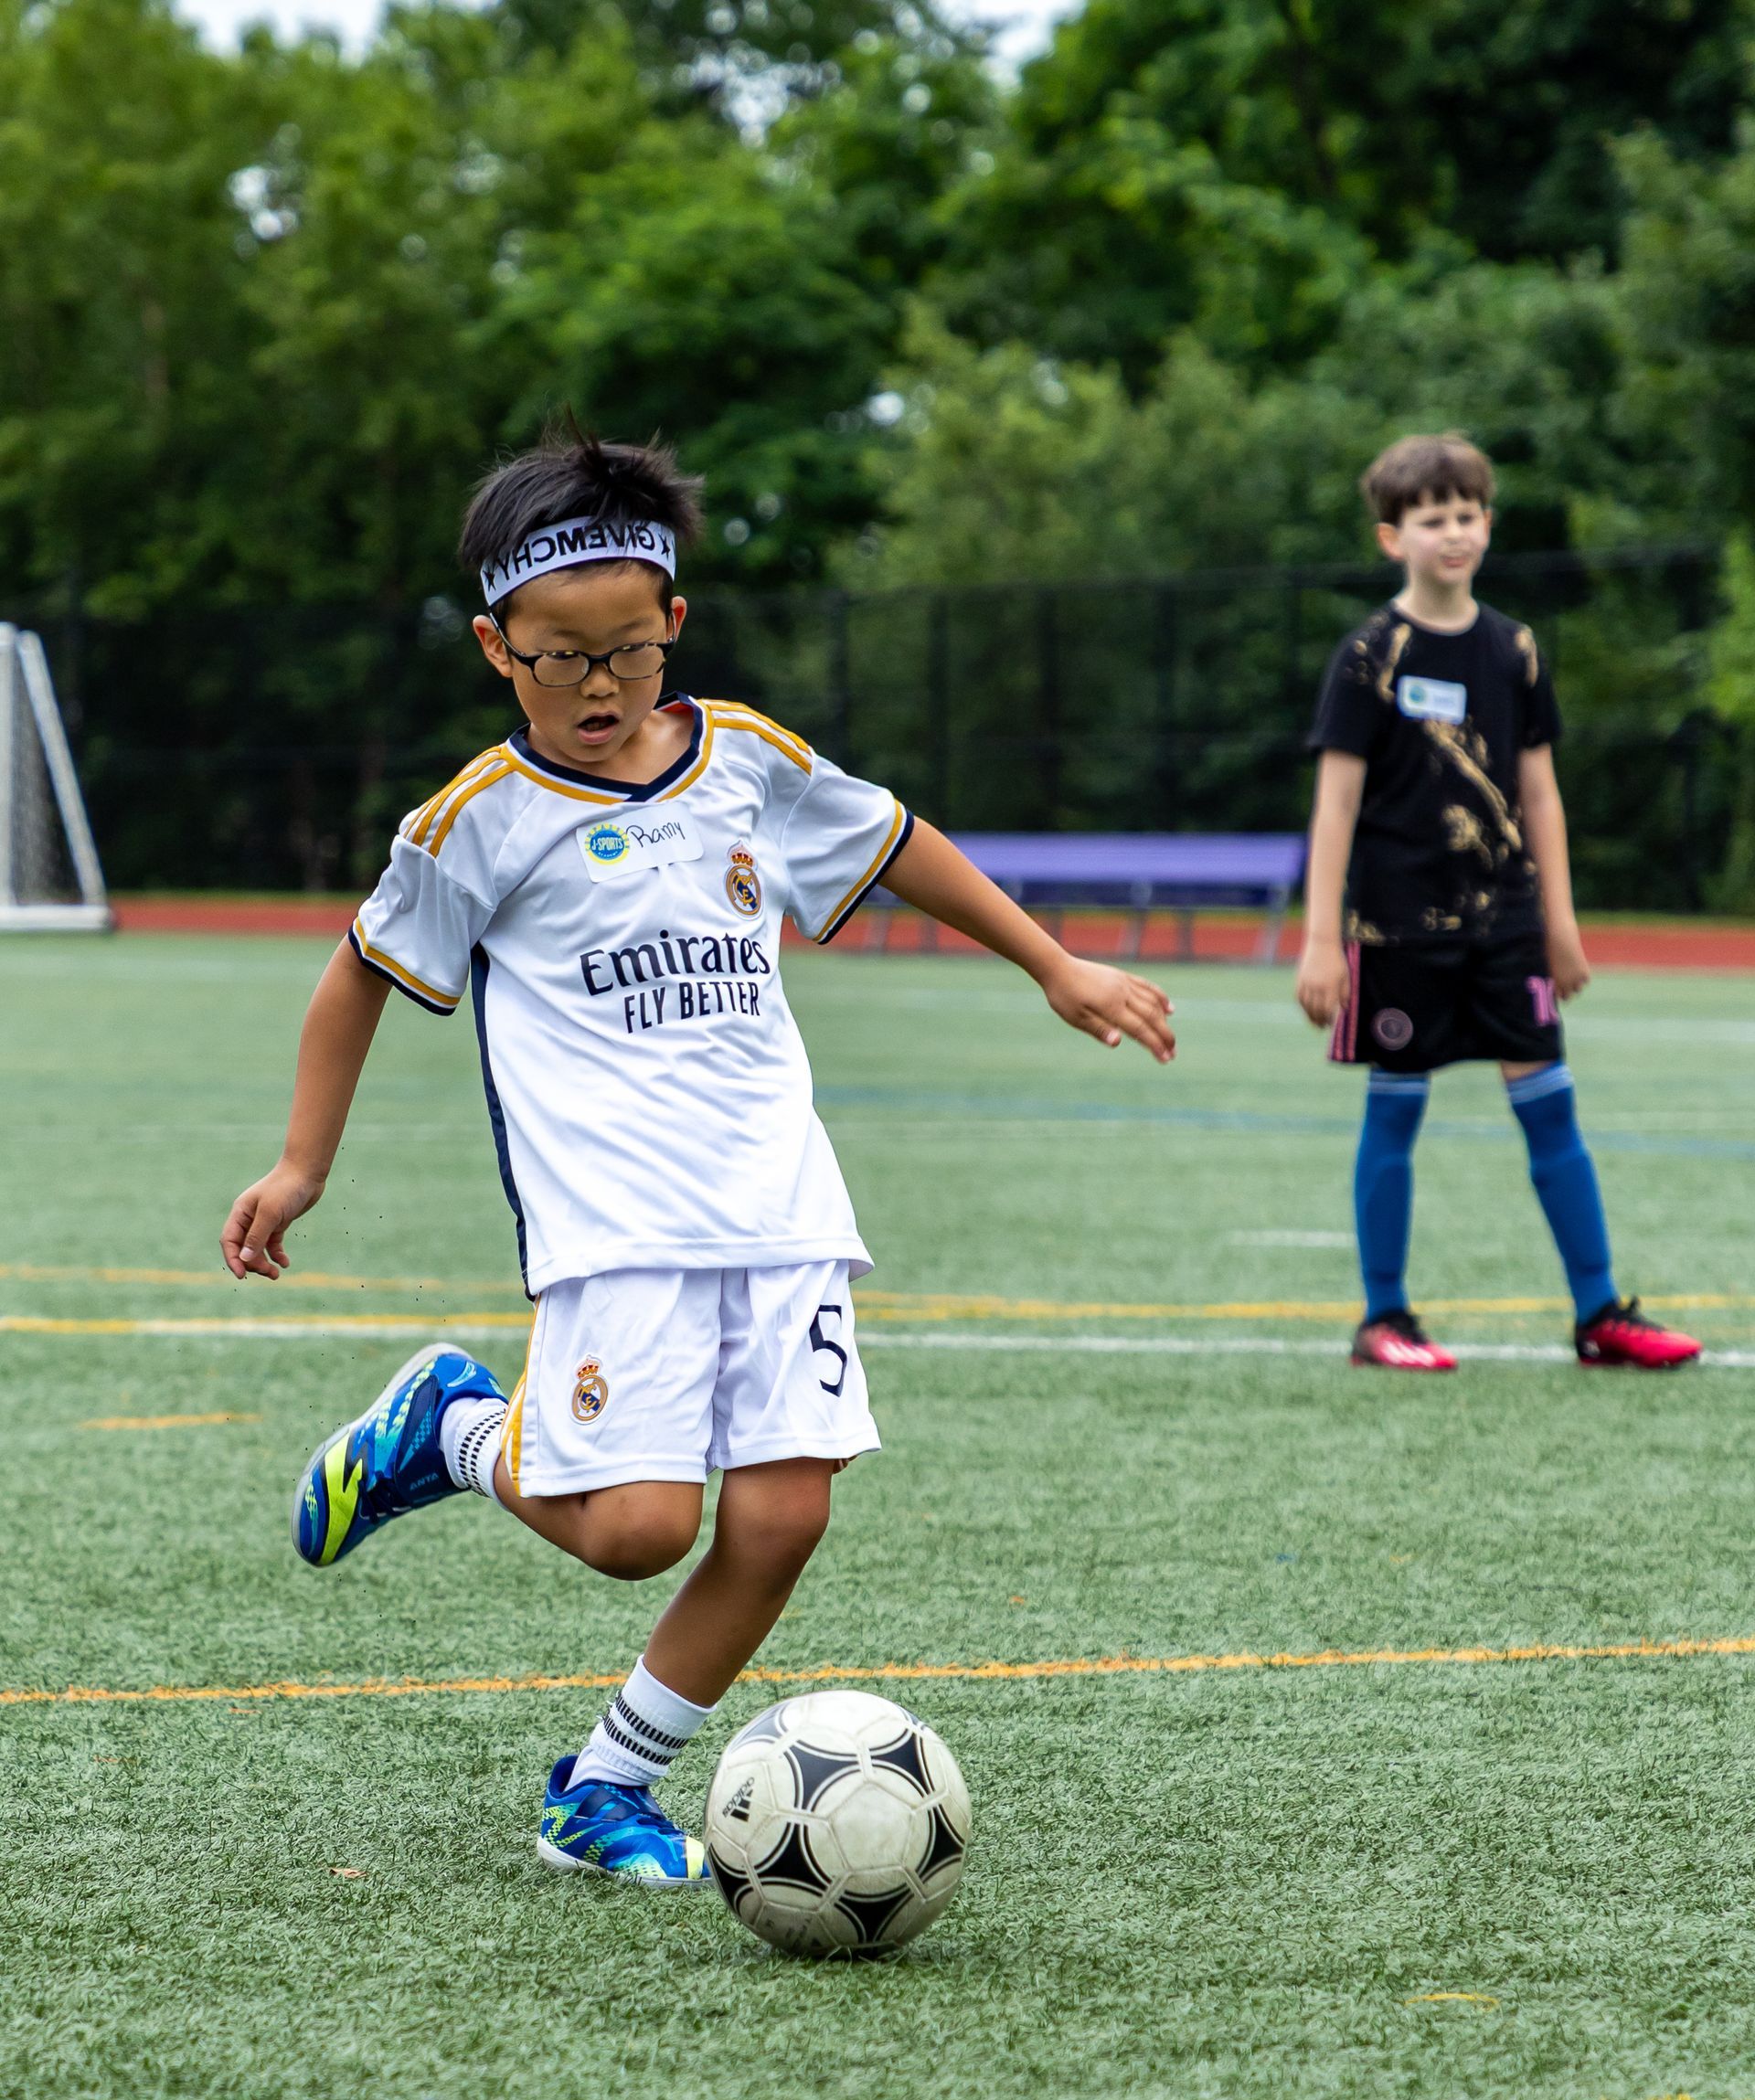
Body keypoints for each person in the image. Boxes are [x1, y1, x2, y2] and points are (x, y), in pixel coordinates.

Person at [220, 425, 1175, 1884]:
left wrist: (1055, 966)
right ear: (496, 647)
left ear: (672, 621)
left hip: (782, 1203)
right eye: (559, 658)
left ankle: (601, 1786)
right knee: (638, 1532)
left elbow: (902, 841)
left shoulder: (747, 765)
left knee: (787, 1512)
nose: (598, 687)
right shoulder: (479, 822)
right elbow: (357, 971)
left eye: (625, 650)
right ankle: (453, 1433)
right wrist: (303, 1165)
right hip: (616, 1224)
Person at [1296, 430, 1701, 1373]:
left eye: (1469, 514)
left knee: (1551, 1110)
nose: (1455, 533)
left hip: (1507, 927)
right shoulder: (1371, 655)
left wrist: (1560, 923)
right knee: (1395, 1113)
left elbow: (1541, 793)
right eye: (1433, 518)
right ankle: (1384, 1319)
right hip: (1395, 927)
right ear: (1391, 537)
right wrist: (1323, 942)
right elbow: (1336, 805)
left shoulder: (1514, 648)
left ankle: (1601, 1314)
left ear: (1488, 524)